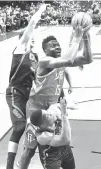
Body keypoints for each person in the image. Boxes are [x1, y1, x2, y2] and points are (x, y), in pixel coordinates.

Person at [19, 21, 93, 169]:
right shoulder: (45, 61)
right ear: (45, 50)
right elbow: (68, 59)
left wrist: (86, 37)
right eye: (53, 45)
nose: (57, 46)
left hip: (53, 107)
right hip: (37, 109)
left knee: (57, 141)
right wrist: (77, 37)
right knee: (30, 148)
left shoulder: (61, 61)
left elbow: (87, 59)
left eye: (58, 44)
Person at [5, 4, 47, 169]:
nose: (33, 39)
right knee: (19, 126)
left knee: (33, 127)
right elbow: (30, 27)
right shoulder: (20, 49)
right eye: (31, 37)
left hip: (29, 95)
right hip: (15, 93)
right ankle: (9, 166)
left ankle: (22, 162)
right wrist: (40, 11)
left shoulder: (35, 56)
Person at [30, 97, 75, 169]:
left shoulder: (52, 112)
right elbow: (66, 140)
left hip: (65, 150)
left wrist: (67, 105)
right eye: (48, 116)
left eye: (47, 112)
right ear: (43, 125)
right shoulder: (42, 136)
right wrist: (64, 114)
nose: (50, 114)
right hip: (51, 157)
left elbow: (54, 106)